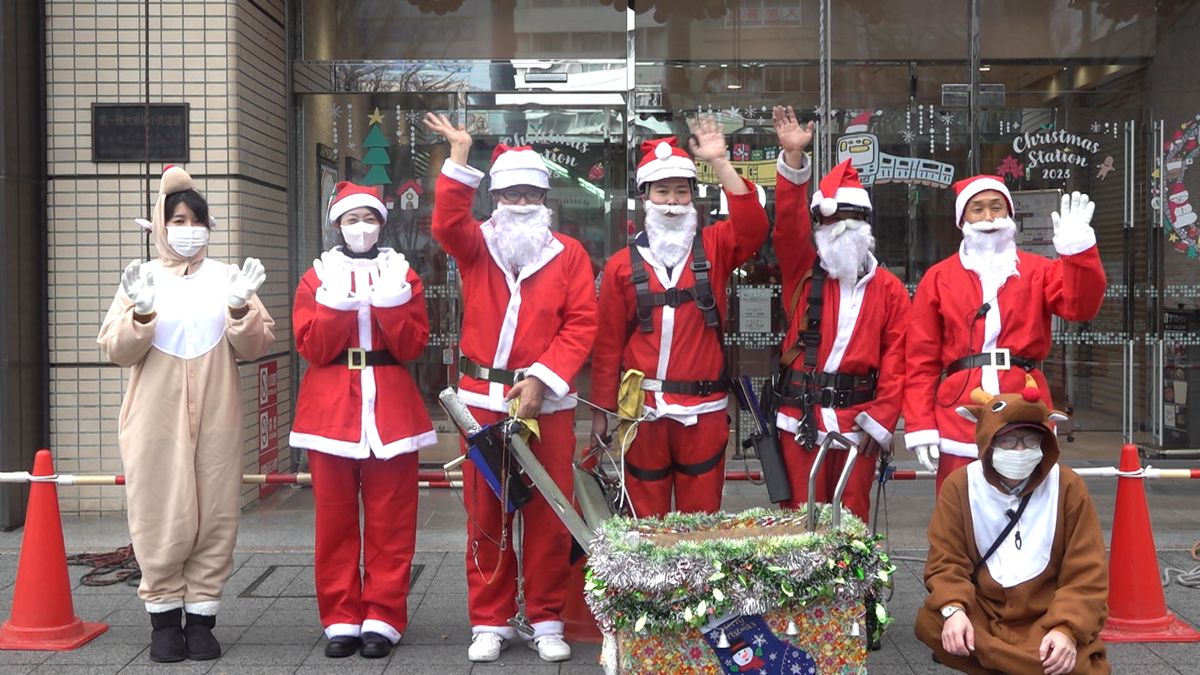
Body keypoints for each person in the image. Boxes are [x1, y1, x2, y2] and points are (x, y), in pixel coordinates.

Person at [423, 112, 598, 664]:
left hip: (549, 403)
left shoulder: (568, 253)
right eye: (511, 193)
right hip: (481, 401)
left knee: (548, 511)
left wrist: (543, 379)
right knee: (487, 512)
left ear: (545, 198)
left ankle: (545, 616)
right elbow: (446, 223)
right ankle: (490, 618)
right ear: (494, 198)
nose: (521, 202)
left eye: (531, 193)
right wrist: (459, 154)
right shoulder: (476, 246)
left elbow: (581, 324)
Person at [97, 166, 275, 663]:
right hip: (154, 418)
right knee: (159, 509)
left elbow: (258, 343)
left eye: (196, 220)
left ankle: (202, 618)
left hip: (218, 415)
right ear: (160, 223)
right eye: (176, 218)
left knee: (216, 510)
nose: (187, 228)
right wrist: (142, 313)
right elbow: (117, 349)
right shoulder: (142, 278)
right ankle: (163, 620)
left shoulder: (227, 278)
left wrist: (240, 308)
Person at [590, 116, 770, 517]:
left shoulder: (716, 247)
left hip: (703, 414)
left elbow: (755, 227)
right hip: (643, 415)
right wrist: (601, 413)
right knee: (647, 531)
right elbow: (607, 347)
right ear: (645, 197)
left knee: (701, 530)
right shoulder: (622, 265)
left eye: (681, 192)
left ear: (694, 197)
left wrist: (721, 162)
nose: (672, 202)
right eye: (662, 192)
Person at [289, 181, 436, 659]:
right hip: (331, 406)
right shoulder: (316, 276)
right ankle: (339, 616)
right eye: (351, 220)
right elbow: (312, 347)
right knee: (333, 522)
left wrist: (392, 302)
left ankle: (383, 615)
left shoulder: (402, 272)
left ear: (382, 224)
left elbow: (413, 346)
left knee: (392, 520)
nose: (361, 228)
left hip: (391, 406)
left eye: (369, 219)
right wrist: (335, 304)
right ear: (337, 224)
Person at [903, 178, 1107, 492]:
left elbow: (1080, 306)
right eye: (978, 209)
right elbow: (920, 361)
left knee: (1030, 501)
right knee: (960, 510)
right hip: (960, 409)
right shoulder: (939, 277)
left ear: (1009, 214)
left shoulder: (1039, 270)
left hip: (1024, 400)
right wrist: (920, 424)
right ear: (962, 219)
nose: (988, 218)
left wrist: (1078, 254)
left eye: (996, 208)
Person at [769, 106, 910, 521]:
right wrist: (793, 160)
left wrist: (882, 421)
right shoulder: (803, 272)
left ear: (866, 222)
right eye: (832, 222)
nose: (842, 229)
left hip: (858, 422)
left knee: (851, 520)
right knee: (798, 520)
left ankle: (851, 591)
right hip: (800, 418)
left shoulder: (890, 291)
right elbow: (789, 225)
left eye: (851, 219)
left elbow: (898, 360)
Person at [915, 377, 1109, 674]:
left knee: (1068, 653)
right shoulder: (960, 485)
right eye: (1007, 440)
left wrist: (1066, 628)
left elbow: (1087, 572)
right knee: (932, 623)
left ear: (1044, 442)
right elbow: (946, 559)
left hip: (1045, 612)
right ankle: (1026, 665)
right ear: (989, 442)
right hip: (986, 609)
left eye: (1030, 440)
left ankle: (1008, 662)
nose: (1019, 450)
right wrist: (954, 609)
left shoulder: (1068, 485)